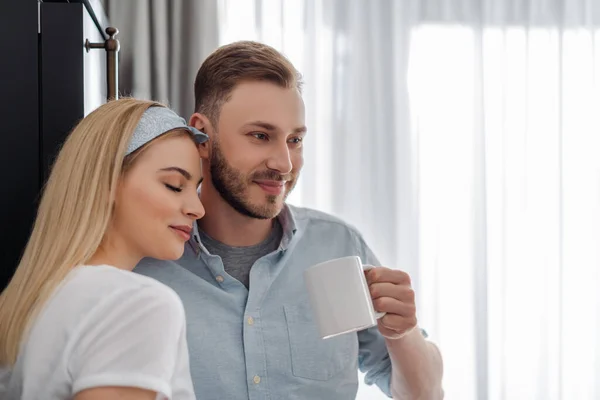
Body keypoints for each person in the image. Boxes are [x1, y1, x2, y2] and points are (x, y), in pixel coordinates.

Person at [135, 41, 444, 399]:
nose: (284, 163)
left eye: (295, 139)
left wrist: (402, 332)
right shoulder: (145, 262)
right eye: (260, 136)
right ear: (203, 135)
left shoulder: (337, 246)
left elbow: (424, 394)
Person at [0, 98, 207, 400]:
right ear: (107, 180)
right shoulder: (138, 304)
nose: (197, 208)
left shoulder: (24, 306)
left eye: (196, 190)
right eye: (174, 185)